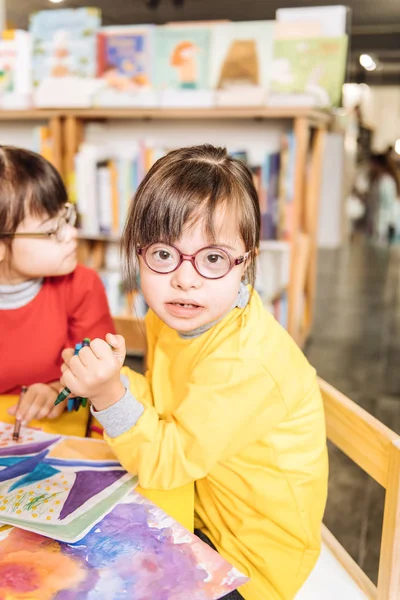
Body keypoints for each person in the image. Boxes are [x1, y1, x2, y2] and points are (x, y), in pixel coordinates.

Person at [61, 144, 328, 600]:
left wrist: (109, 395)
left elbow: (167, 462)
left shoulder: (246, 362)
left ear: (247, 260)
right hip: (195, 505)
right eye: (164, 255)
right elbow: (171, 403)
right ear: (138, 252)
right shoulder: (178, 314)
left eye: (213, 258)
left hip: (250, 560)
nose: (185, 279)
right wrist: (113, 381)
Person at [0, 145, 115, 434]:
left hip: (62, 430)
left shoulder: (82, 285)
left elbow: (104, 378)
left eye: (67, 215)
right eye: (52, 230)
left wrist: (58, 390)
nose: (72, 234)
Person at [368, 153, 400, 244]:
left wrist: (386, 224)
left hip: (384, 224)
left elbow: (387, 205)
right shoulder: (379, 179)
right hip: (378, 221)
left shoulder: (386, 181)